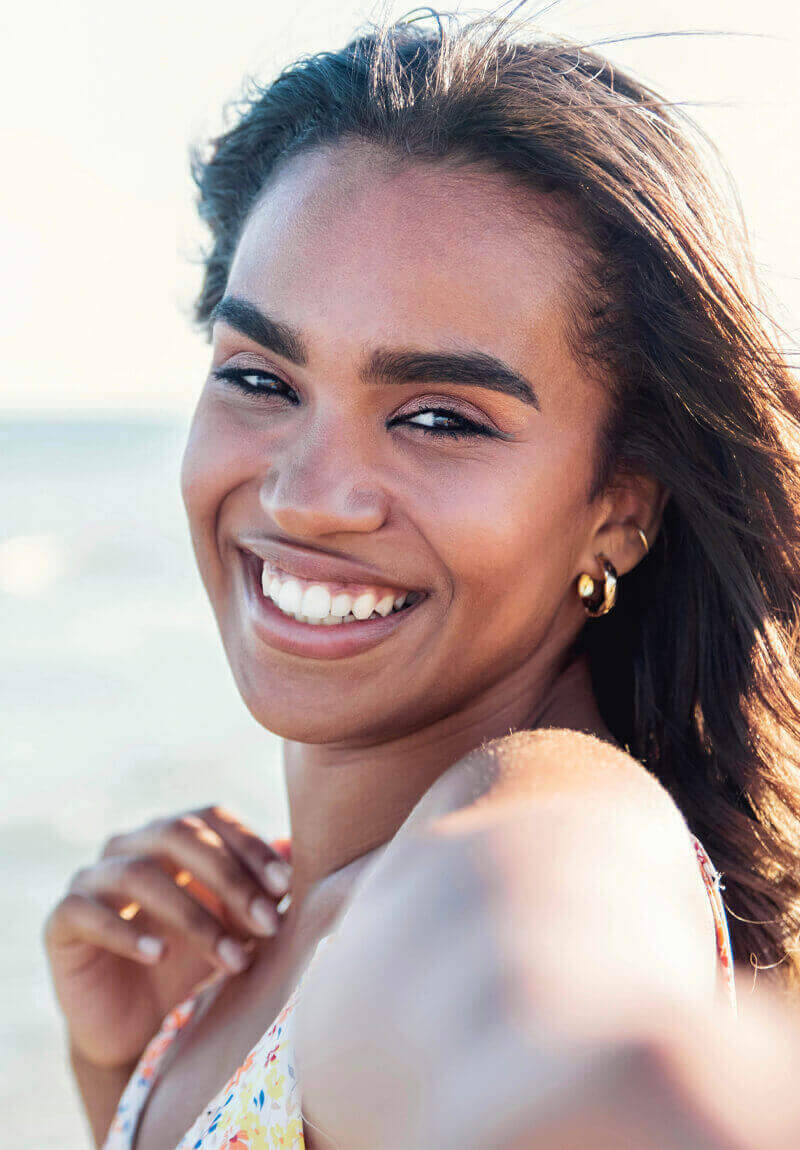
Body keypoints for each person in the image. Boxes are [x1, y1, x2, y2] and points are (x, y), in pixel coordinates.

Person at [43, 5, 800, 1147]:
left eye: (438, 416)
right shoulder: (282, 938)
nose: (305, 494)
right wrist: (137, 1076)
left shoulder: (535, 835)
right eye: (260, 378)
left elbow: (607, 1075)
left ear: (619, 510)